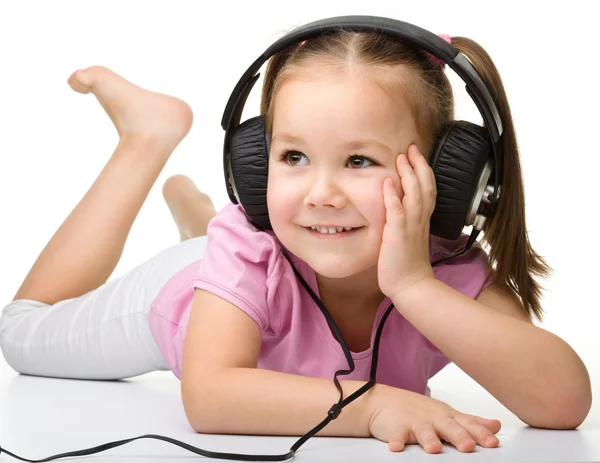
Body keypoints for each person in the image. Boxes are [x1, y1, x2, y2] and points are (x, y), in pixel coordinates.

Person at [0, 24, 592, 456]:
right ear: (255, 168)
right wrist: (373, 405)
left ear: (448, 175)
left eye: (359, 160)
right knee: (22, 332)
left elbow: (562, 405)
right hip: (187, 294)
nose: (322, 193)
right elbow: (211, 396)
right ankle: (145, 140)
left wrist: (412, 284)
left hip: (253, 273)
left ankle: (197, 218)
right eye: (294, 157)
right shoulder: (249, 247)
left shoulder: (449, 271)